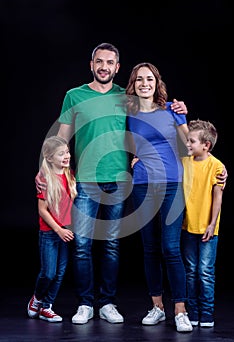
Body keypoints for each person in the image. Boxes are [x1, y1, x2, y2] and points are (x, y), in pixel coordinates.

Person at [35, 43, 190, 325]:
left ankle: (107, 302)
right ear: (91, 64)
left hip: (120, 181)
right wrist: (46, 170)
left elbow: (152, 112)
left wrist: (176, 108)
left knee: (111, 246)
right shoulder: (74, 96)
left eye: (110, 62)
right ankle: (85, 303)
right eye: (99, 61)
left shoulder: (125, 98)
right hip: (84, 181)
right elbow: (60, 139)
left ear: (117, 68)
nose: (104, 66)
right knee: (82, 245)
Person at [126, 62, 194, 332]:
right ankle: (157, 307)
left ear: (157, 83)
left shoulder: (171, 111)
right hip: (143, 184)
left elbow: (191, 146)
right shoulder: (128, 114)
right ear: (133, 84)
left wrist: (217, 167)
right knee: (150, 249)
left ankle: (180, 310)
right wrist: (135, 157)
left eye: (150, 79)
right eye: (140, 79)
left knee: (171, 248)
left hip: (171, 184)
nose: (145, 83)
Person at [27, 136, 77, 323]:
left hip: (65, 231)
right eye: (61, 153)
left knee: (60, 272)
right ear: (49, 157)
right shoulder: (45, 178)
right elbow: (42, 210)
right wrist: (59, 230)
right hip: (50, 232)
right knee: (49, 272)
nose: (66, 156)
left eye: (67, 151)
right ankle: (37, 299)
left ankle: (47, 307)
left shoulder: (69, 174)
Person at [181, 119, 224, 328]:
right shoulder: (184, 161)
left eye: (192, 141)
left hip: (208, 228)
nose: (187, 144)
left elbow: (217, 197)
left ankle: (207, 313)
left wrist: (211, 224)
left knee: (205, 272)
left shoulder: (216, 166)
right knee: (190, 271)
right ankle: (193, 312)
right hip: (187, 226)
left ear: (205, 145)